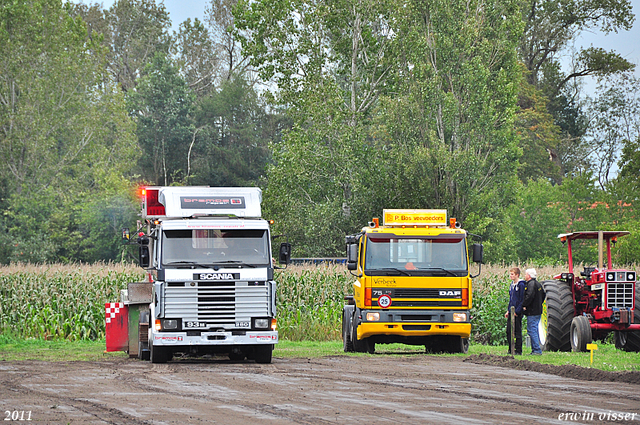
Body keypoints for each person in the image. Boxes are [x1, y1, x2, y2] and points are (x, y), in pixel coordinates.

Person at [522, 268, 544, 355]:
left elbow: (529, 296)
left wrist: (524, 305)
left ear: (529, 276)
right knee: (534, 329)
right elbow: (543, 295)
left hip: (532, 311)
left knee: (532, 330)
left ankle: (536, 350)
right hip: (538, 310)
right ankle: (535, 349)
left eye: (526, 274)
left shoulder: (531, 284)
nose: (525, 276)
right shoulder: (538, 284)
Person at [505, 267, 525, 355]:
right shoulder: (512, 285)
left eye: (512, 274)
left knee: (517, 331)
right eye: (510, 274)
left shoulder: (521, 285)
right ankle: (510, 349)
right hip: (511, 311)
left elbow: (521, 300)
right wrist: (508, 311)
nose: (511, 276)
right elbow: (511, 299)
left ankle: (518, 350)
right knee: (508, 330)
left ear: (517, 275)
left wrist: (517, 311)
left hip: (517, 312)